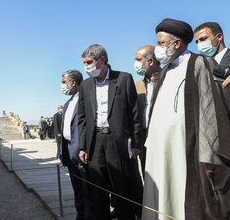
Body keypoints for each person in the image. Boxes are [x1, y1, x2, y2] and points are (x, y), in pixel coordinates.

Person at [143, 18, 230, 220]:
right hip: (159, 151)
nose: (158, 49)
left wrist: (210, 156)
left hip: (184, 150)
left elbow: (210, 108)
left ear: (177, 43)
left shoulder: (201, 63)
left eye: (161, 43)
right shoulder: (164, 72)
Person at [78, 44, 142, 220]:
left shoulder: (123, 79)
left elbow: (134, 114)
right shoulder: (85, 85)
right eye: (84, 63)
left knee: (123, 190)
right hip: (95, 142)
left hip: (118, 142)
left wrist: (136, 143)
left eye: (89, 62)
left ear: (102, 60)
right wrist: (83, 147)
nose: (86, 66)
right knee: (98, 193)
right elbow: (82, 119)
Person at [60, 70, 94, 220]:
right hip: (69, 152)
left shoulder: (87, 99)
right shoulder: (68, 103)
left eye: (63, 82)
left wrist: (84, 147)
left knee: (89, 190)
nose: (62, 86)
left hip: (82, 152)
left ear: (72, 82)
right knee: (77, 189)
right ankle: (80, 215)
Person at [133, 45, 161, 219]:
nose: (135, 64)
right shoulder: (136, 85)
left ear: (150, 60)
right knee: (148, 177)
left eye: (138, 59)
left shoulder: (167, 78)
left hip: (163, 136)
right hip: (144, 138)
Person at [194, 22, 230, 88]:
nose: (199, 44)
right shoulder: (200, 65)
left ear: (219, 37)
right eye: (197, 42)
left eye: (203, 39)